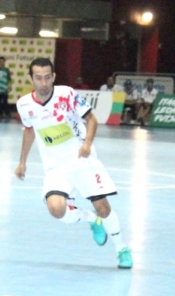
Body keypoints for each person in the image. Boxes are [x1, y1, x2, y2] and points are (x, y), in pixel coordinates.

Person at [14, 58, 133, 269]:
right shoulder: (24, 105)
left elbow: (92, 119)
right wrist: (22, 162)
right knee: (56, 209)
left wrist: (87, 144)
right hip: (55, 167)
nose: (43, 83)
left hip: (81, 159)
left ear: (54, 77)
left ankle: (121, 249)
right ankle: (91, 219)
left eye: (47, 77)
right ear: (31, 78)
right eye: (38, 78)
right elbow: (29, 130)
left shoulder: (66, 95)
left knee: (102, 207)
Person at [0, 56, 12, 122]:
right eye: (0, 61)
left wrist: (9, 86)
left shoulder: (7, 70)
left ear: (4, 62)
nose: (1, 63)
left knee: (5, 102)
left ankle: (7, 114)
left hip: (4, 89)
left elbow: (9, 79)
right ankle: (0, 114)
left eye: (2, 61)